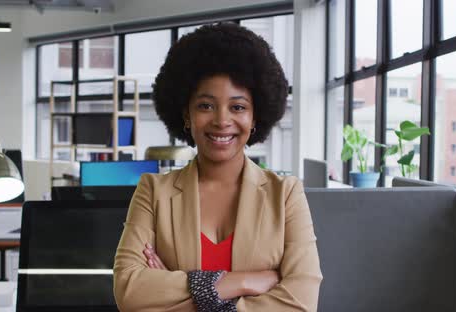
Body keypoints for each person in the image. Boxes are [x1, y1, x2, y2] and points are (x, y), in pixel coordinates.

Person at [113, 22, 322, 311]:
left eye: (238, 107)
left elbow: (301, 303)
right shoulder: (153, 191)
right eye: (206, 106)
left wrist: (175, 294)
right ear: (186, 113)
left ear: (255, 116)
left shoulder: (286, 195)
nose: (222, 121)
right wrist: (241, 282)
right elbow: (129, 291)